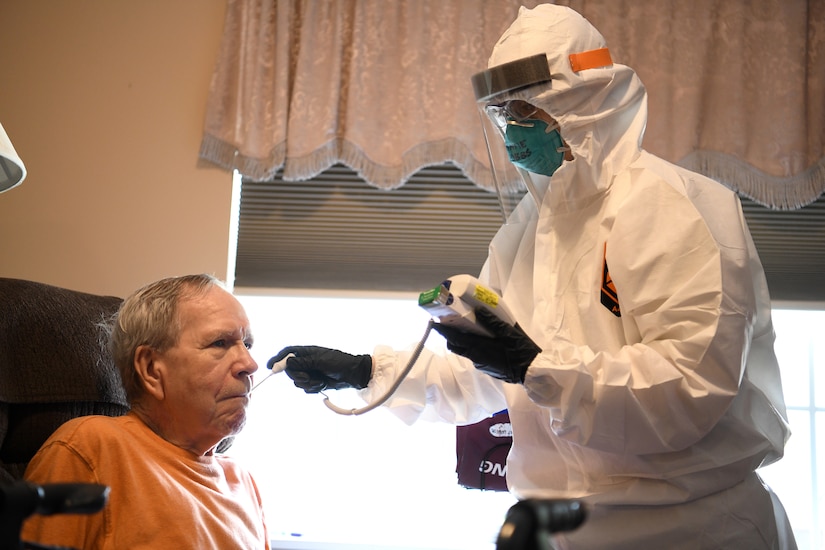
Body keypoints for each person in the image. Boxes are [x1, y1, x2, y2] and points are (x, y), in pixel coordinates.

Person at [269, 5, 796, 549]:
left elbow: (688, 386)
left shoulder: (674, 207)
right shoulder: (529, 231)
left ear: (583, 103)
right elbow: (490, 375)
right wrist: (367, 371)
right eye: (500, 111)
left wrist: (539, 368)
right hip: (560, 528)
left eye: (524, 107)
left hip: (689, 529)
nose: (510, 127)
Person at [22, 274, 270, 549]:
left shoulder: (243, 481)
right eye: (220, 343)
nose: (249, 364)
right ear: (151, 369)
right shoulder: (90, 450)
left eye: (246, 344)